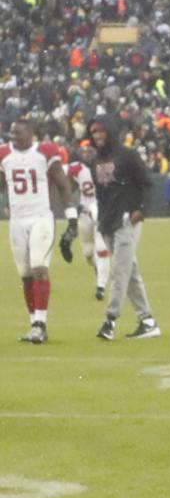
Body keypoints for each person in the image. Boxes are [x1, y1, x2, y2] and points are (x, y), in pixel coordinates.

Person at [3, 113, 71, 343]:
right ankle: (34, 324)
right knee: (25, 276)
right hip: (17, 221)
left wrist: (71, 216)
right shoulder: (4, 155)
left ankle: (41, 323)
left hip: (41, 217)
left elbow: (62, 185)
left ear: (32, 134)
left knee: (39, 267)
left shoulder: (45, 152)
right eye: (11, 132)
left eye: (18, 133)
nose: (13, 137)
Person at [89, 117, 158, 341]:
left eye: (100, 131)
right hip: (107, 221)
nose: (97, 136)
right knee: (130, 272)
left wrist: (142, 210)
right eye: (93, 132)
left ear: (110, 131)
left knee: (119, 270)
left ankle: (110, 321)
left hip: (127, 219)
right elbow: (101, 194)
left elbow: (147, 184)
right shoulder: (96, 160)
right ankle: (147, 320)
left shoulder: (128, 156)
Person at [59, 140, 111, 303]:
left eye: (90, 151)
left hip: (102, 213)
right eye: (85, 151)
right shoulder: (76, 168)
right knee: (88, 253)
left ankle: (100, 286)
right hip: (85, 214)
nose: (87, 154)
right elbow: (67, 184)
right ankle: (97, 269)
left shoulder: (104, 166)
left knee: (102, 250)